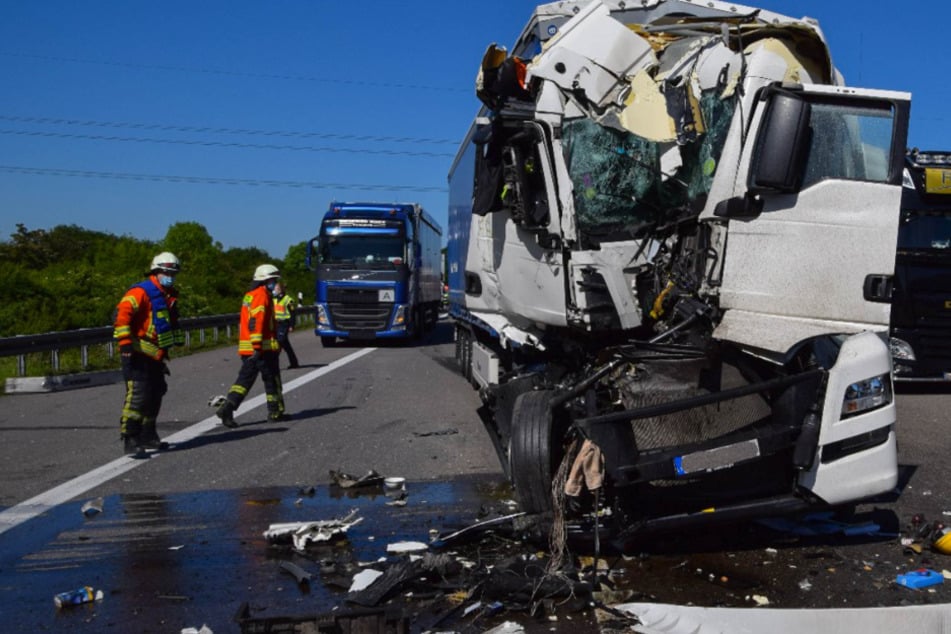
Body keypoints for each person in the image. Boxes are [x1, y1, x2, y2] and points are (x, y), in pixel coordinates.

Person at [113, 252, 184, 458]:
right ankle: (130, 438)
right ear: (156, 271)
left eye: (173, 273)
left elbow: (170, 323)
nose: (170, 276)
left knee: (156, 392)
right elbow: (122, 315)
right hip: (137, 353)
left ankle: (148, 434)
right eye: (167, 272)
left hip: (155, 354)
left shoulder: (167, 295)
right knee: (138, 396)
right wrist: (125, 344)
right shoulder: (141, 292)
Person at [215, 264, 288, 427]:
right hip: (262, 348)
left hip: (249, 348)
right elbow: (257, 321)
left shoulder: (250, 295)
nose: (275, 283)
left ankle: (228, 407)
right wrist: (257, 346)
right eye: (273, 280)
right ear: (265, 280)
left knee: (244, 381)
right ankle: (275, 412)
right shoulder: (262, 295)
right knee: (272, 380)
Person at [272, 281, 300, 369]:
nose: (274, 290)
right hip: (276, 324)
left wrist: (292, 325)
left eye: (276, 288)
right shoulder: (274, 299)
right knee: (284, 344)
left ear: (280, 289)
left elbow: (292, 313)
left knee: (280, 341)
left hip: (284, 323)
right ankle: (293, 362)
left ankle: (274, 363)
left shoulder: (288, 300)